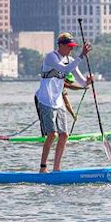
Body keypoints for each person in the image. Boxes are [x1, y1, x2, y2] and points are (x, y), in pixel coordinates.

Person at [34, 33, 91, 173]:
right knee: (52, 134)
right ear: (61, 45)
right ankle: (43, 168)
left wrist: (88, 82)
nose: (70, 50)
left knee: (64, 135)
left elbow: (82, 81)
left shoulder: (70, 60)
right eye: (68, 47)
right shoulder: (51, 57)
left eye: (73, 47)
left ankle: (56, 169)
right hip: (45, 100)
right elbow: (65, 69)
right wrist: (82, 55)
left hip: (58, 102)